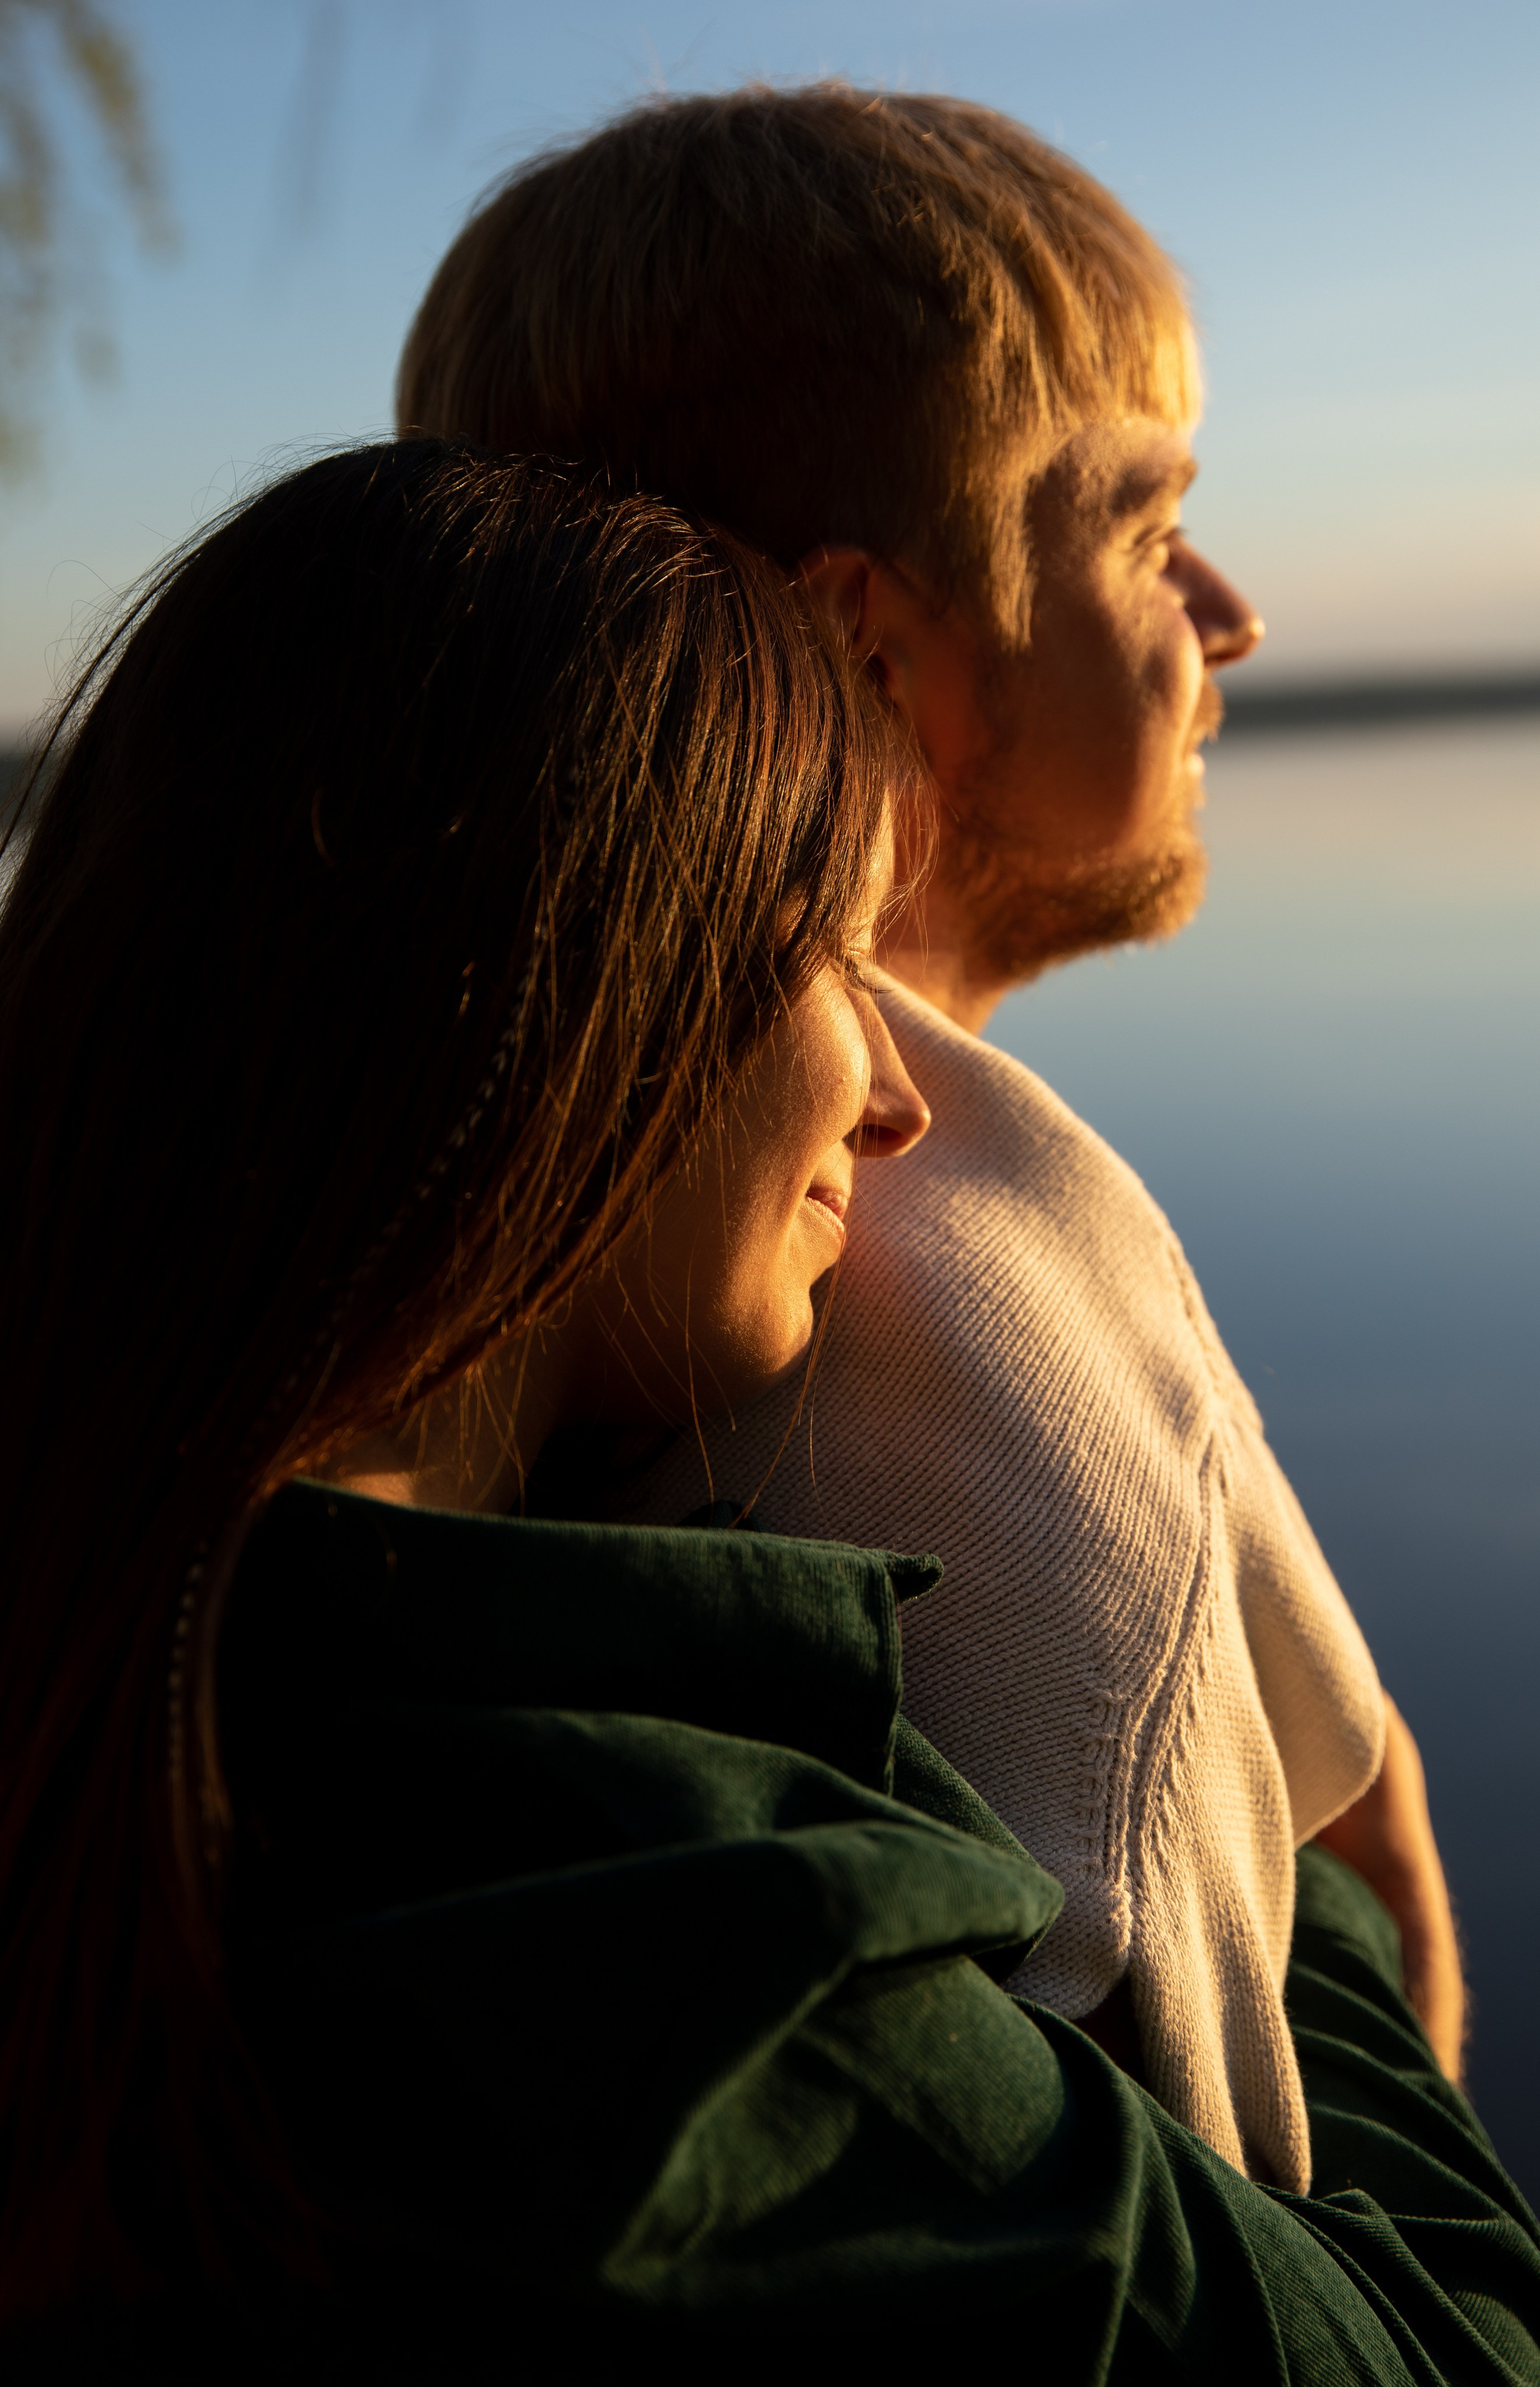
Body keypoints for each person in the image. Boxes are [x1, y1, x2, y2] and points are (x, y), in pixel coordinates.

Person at [0, 441, 1533, 2382]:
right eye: (825, 954)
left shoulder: (87, 1632)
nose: (899, 1095)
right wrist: (1296, 1883)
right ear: (558, 1005)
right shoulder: (685, 1964)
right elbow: (1452, 2342)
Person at [395, 83, 1465, 2196]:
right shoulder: (961, 1250)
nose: (1229, 613)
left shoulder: (559, 1157)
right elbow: (1231, 2146)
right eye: (1151, 532)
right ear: (875, 651)